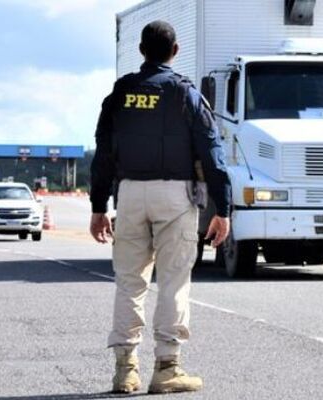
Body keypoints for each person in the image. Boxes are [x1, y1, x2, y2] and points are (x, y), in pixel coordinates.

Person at [89, 20, 231, 394]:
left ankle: (125, 371)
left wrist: (98, 206)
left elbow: (103, 153)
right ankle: (167, 368)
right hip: (175, 196)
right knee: (172, 282)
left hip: (130, 194)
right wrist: (224, 209)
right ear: (175, 51)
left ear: (140, 51)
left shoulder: (120, 94)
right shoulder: (185, 94)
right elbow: (212, 154)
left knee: (129, 283)